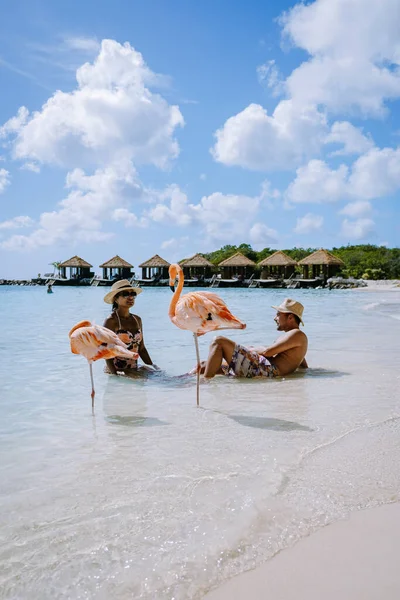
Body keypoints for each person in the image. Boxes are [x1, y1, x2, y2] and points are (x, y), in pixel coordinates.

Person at [202, 298, 308, 379]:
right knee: (203, 365)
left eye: (278, 314)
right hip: (262, 367)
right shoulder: (294, 337)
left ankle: (206, 385)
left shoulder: (296, 334)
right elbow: (301, 361)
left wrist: (252, 349)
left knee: (218, 341)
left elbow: (267, 352)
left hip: (267, 370)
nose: (275, 318)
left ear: (290, 317)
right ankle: (188, 381)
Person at [103, 279, 158, 375]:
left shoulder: (137, 320)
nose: (130, 297)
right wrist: (115, 376)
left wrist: (153, 367)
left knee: (161, 377)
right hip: (117, 370)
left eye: (132, 294)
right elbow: (107, 351)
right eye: (125, 294)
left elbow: (141, 349)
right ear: (115, 299)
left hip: (133, 369)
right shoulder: (111, 321)